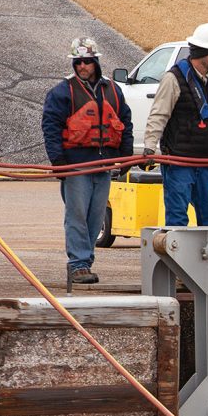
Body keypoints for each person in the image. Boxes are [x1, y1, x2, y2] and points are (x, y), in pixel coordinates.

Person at [42, 36, 133, 284]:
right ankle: (78, 263)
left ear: (96, 62)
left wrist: (125, 157)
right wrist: (58, 161)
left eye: (87, 61)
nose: (82, 66)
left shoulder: (113, 90)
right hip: (76, 165)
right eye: (78, 61)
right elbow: (51, 127)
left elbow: (125, 122)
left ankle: (86, 261)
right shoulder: (61, 92)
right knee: (77, 215)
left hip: (103, 166)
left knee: (96, 217)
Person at [144, 23, 208, 228]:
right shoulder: (173, 79)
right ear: (201, 53)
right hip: (179, 162)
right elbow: (159, 114)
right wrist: (149, 147)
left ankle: (206, 259)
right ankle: (178, 260)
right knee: (177, 219)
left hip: (207, 162)